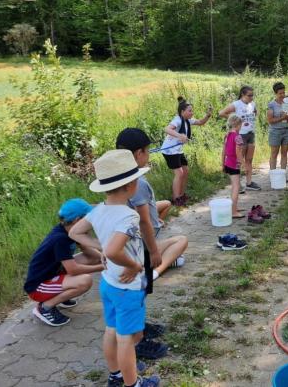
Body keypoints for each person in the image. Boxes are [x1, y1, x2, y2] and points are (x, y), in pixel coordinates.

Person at [69, 150, 161, 387]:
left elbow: (75, 232)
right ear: (131, 185)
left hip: (108, 283)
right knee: (126, 339)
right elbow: (113, 252)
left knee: (111, 330)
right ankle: (133, 384)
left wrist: (99, 247)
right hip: (127, 287)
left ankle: (115, 375)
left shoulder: (97, 210)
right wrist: (134, 264)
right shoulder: (129, 216)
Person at [116, 128, 189, 280]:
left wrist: (155, 218)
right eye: (148, 150)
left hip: (127, 237)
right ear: (138, 154)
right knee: (182, 240)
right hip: (140, 243)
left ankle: (155, 255)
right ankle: (156, 270)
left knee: (165, 203)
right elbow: (143, 221)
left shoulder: (117, 176)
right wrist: (154, 251)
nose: (149, 154)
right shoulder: (138, 182)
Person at [24, 198, 105, 327]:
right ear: (78, 220)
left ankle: (62, 294)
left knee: (93, 257)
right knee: (85, 281)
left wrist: (104, 258)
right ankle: (45, 307)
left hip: (54, 272)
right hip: (38, 287)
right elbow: (73, 270)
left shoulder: (69, 230)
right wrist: (103, 267)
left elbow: (86, 249)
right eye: (89, 218)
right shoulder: (60, 239)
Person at [160, 96, 212, 206]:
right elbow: (167, 129)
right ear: (182, 111)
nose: (192, 113)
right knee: (179, 173)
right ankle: (175, 199)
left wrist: (208, 115)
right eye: (190, 111)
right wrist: (180, 135)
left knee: (186, 171)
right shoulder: (177, 119)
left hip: (177, 150)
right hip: (169, 150)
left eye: (192, 110)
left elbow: (200, 122)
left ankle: (181, 195)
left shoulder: (187, 120)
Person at [219, 86, 260, 191]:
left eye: (252, 95)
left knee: (249, 160)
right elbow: (221, 113)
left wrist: (253, 118)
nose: (251, 97)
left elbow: (255, 112)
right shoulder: (236, 104)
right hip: (241, 135)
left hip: (251, 134)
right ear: (242, 94)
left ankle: (249, 183)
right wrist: (234, 120)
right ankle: (238, 184)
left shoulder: (252, 104)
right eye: (249, 95)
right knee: (239, 160)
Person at [223, 114, 247, 219]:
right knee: (236, 187)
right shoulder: (238, 137)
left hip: (228, 163)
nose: (241, 127)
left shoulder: (227, 135)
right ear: (237, 125)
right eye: (241, 125)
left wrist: (222, 164)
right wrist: (244, 164)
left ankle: (234, 207)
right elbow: (238, 151)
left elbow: (223, 151)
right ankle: (233, 212)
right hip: (234, 165)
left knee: (234, 186)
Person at [267, 81, 288, 171]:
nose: (282, 95)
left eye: (283, 92)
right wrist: (282, 118)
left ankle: (282, 176)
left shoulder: (287, 104)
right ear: (275, 93)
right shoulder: (271, 105)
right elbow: (270, 121)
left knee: (284, 154)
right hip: (275, 132)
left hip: (286, 131)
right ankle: (273, 176)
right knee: (274, 154)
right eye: (280, 93)